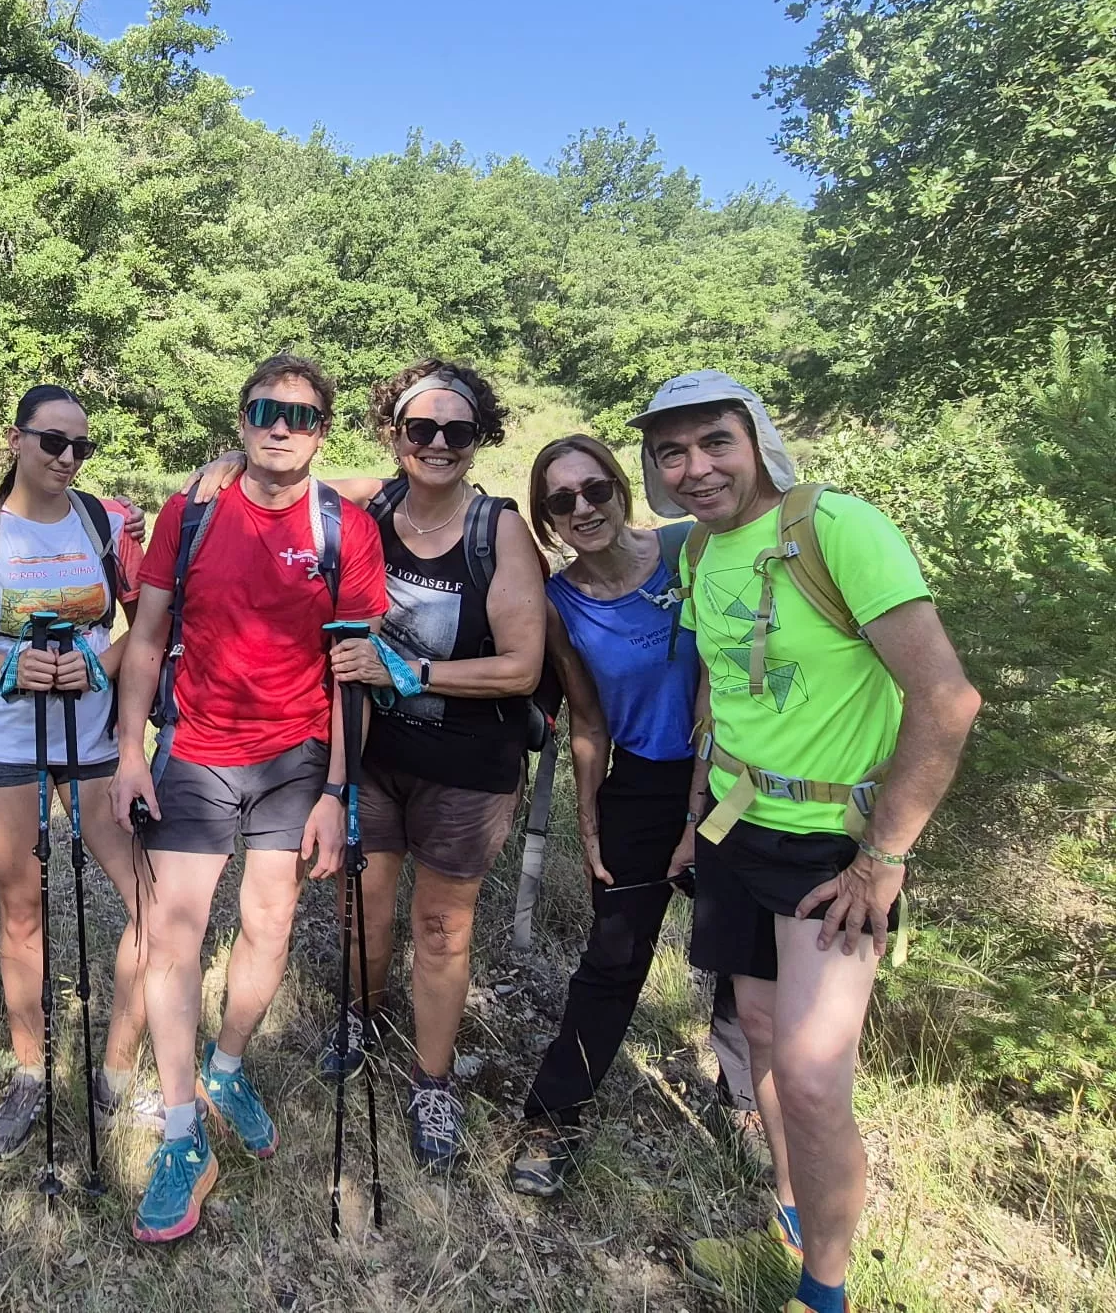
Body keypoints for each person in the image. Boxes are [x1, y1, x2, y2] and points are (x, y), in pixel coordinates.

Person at [639, 372, 980, 1313]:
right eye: (672, 453)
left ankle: (824, 1293)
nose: (695, 468)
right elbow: (723, 689)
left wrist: (885, 857)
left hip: (833, 850)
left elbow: (946, 699)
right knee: (758, 1036)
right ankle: (791, 1212)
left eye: (715, 442)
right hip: (736, 829)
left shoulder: (839, 529)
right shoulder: (704, 550)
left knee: (818, 1079)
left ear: (755, 437)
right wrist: (694, 814)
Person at [108, 352, 388, 1244]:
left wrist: (337, 789)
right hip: (193, 750)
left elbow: (355, 673)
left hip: (298, 758)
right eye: (265, 410)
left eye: (301, 416)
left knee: (268, 929)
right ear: (239, 421)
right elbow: (146, 637)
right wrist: (129, 753)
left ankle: (229, 1065)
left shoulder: (347, 528)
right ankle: (185, 1133)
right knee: (173, 939)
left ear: (321, 432)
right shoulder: (192, 512)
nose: (280, 426)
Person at [507, 432, 756, 1195]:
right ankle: (555, 1117)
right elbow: (588, 719)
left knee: (744, 952)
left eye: (596, 489)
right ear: (547, 520)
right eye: (562, 500)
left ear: (622, 487)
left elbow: (735, 664)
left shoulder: (691, 549)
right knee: (614, 956)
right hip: (642, 784)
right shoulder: (557, 603)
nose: (584, 508)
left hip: (738, 780)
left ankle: (745, 1105)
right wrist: (587, 821)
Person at [322, 360, 546, 1174]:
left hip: (468, 765)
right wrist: (221, 471)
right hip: (374, 754)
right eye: (422, 429)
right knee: (361, 907)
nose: (439, 444)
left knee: (442, 928)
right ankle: (360, 1013)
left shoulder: (500, 530)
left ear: (478, 439)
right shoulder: (371, 505)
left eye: (458, 431)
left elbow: (522, 667)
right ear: (396, 435)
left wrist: (405, 673)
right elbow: (285, 477)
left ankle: (432, 1081)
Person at [0, 384, 150, 1158]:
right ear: (15, 439)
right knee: (20, 909)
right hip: (4, 737)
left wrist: (99, 662)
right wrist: (11, 668)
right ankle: (30, 1075)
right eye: (51, 442)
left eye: (79, 448)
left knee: (146, 900)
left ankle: (117, 1072)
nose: (66, 459)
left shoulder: (106, 521)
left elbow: (147, 619)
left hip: (93, 738)